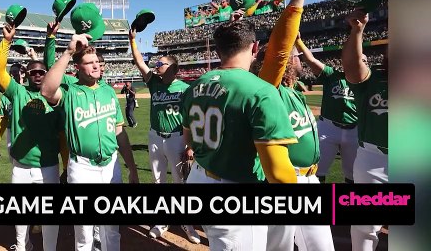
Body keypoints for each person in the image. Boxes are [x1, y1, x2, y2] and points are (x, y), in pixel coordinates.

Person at [180, 19, 298, 251]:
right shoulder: (261, 91)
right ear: (255, 48)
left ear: (218, 50)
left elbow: (188, 138)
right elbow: (278, 173)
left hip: (198, 176)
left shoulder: (195, 86)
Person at [257, 0, 334, 251]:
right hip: (284, 185)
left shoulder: (293, 91)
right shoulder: (270, 89)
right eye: (294, 54)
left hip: (310, 181)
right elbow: (278, 50)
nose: (298, 57)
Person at [41, 34, 139, 251]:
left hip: (111, 165)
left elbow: (119, 132)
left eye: (97, 62)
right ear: (77, 67)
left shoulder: (108, 91)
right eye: (89, 62)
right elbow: (47, 90)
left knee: (112, 228)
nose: (96, 66)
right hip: (82, 166)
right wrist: (67, 51)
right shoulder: (70, 92)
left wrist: (132, 168)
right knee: (84, 231)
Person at [0, 24, 62, 251]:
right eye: (33, 72)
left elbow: (62, 134)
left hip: (48, 166)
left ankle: (49, 248)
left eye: (42, 72)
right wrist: (6, 43)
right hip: (21, 166)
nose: (38, 75)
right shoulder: (18, 92)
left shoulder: (55, 96)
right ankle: (23, 246)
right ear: (27, 75)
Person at [128, 30, 200, 244]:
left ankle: (187, 224)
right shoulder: (153, 82)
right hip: (155, 137)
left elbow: (194, 119)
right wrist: (132, 40)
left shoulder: (186, 89)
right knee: (158, 180)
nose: (156, 65)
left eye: (161, 63)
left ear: (173, 68)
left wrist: (190, 145)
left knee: (180, 182)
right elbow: (139, 61)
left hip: (178, 138)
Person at [343, 8, 388, 251]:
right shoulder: (373, 80)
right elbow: (351, 66)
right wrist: (357, 31)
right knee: (364, 226)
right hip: (374, 160)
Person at [295, 32, 360, 184]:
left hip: (354, 130)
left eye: (362, 60)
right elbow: (310, 60)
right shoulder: (332, 74)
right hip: (328, 128)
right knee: (317, 170)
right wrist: (299, 42)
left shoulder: (365, 81)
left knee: (353, 175)